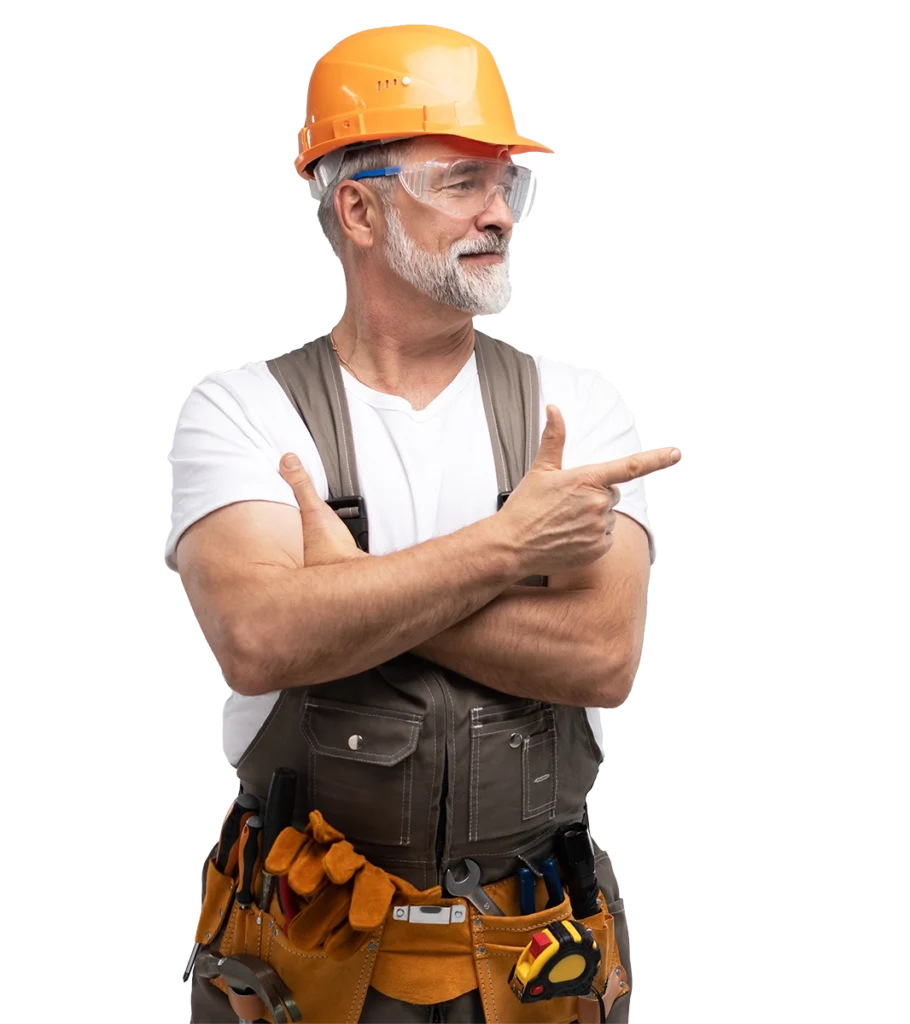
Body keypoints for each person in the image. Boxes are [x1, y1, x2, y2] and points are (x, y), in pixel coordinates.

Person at [170, 23, 680, 1024]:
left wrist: (349, 590)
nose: (500, 214)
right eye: (460, 181)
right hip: (303, 977)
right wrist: (509, 550)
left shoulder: (578, 404)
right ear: (357, 208)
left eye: (510, 184)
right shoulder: (238, 410)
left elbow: (601, 656)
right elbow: (264, 637)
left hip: (536, 971)